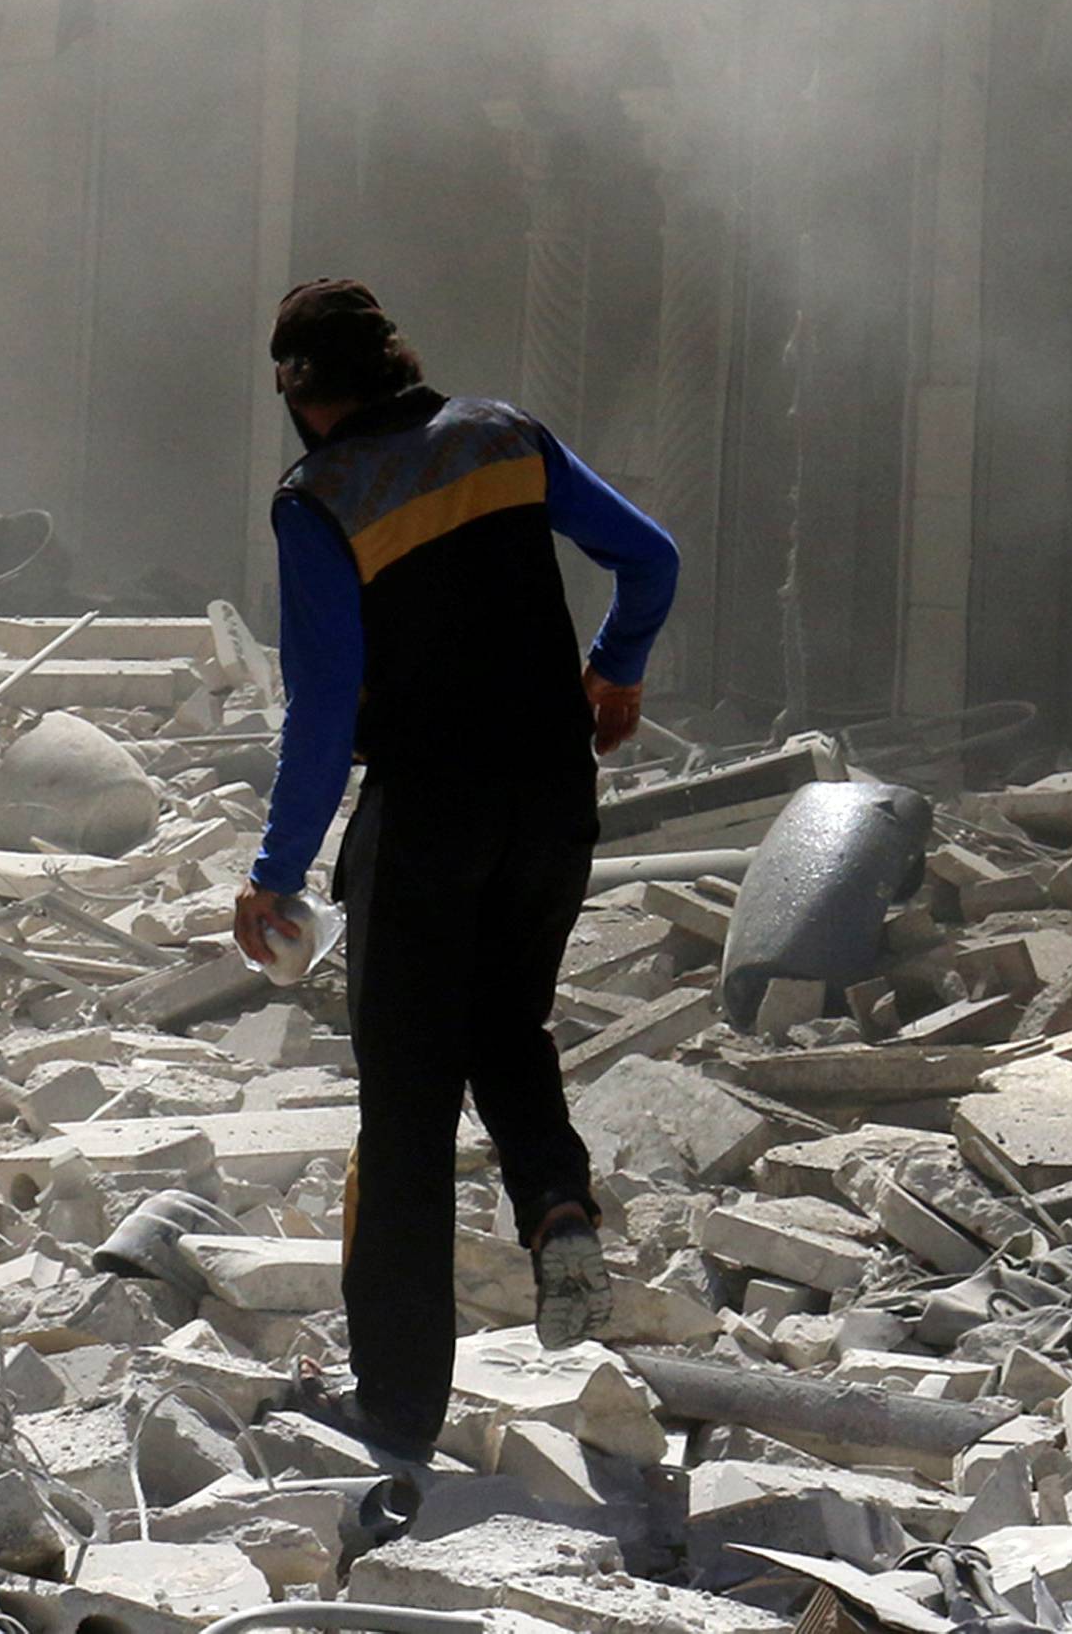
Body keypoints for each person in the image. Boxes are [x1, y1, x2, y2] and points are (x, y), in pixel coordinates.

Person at [233, 278, 679, 1460]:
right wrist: (615, 668)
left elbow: (323, 710)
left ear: (301, 392)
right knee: (508, 1028)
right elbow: (651, 556)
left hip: (426, 815)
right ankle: (558, 1208)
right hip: (551, 800)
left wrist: (276, 869)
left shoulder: (319, 498)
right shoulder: (502, 435)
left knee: (408, 1110)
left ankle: (395, 1410)